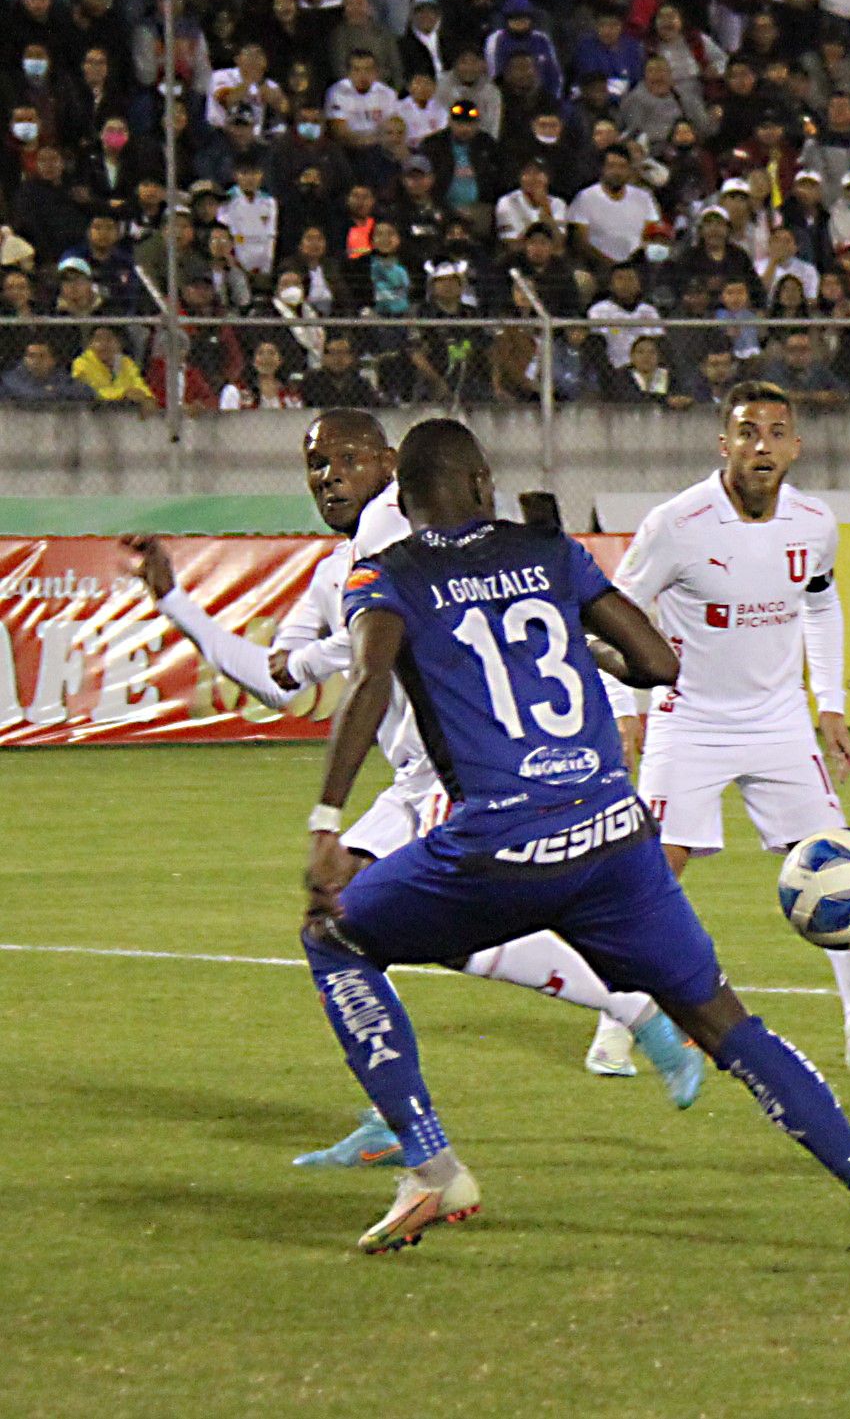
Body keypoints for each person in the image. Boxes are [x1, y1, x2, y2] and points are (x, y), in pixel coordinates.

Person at [297, 418, 850, 1257]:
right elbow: (660, 663)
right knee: (728, 1024)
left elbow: (372, 677)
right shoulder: (551, 553)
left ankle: (429, 1160)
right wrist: (568, 633)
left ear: (403, 504)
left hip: (498, 848)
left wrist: (327, 823)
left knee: (333, 936)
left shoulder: (388, 570)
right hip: (615, 843)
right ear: (485, 482)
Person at [125, 410, 703, 1173]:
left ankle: (631, 1010)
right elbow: (275, 674)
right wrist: (177, 603)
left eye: (345, 458)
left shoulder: (409, 540)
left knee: (416, 930)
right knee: (341, 919)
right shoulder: (338, 573)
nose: (327, 474)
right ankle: (396, 1113)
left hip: (461, 769)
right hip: (409, 780)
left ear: (391, 464)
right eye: (315, 464)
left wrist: (338, 657)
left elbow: (396, 638)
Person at [593, 382, 850, 1073]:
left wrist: (832, 702)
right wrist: (624, 710)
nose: (763, 445)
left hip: (780, 719)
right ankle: (615, 1026)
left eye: (776, 432)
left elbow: (820, 606)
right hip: (687, 716)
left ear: (796, 446)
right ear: (723, 444)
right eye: (748, 432)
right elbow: (611, 610)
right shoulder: (677, 523)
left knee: (843, 865)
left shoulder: (814, 523)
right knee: (649, 878)